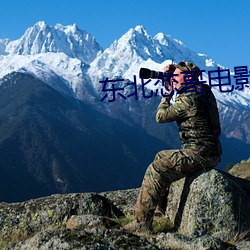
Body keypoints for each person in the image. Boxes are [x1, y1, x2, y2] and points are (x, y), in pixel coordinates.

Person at [124, 61, 222, 233]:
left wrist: (167, 95)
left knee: (157, 168)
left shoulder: (188, 100)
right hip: (210, 151)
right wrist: (174, 74)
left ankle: (141, 224)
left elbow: (160, 117)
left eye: (177, 76)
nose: (173, 79)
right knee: (161, 155)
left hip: (199, 153)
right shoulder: (203, 90)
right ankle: (161, 209)